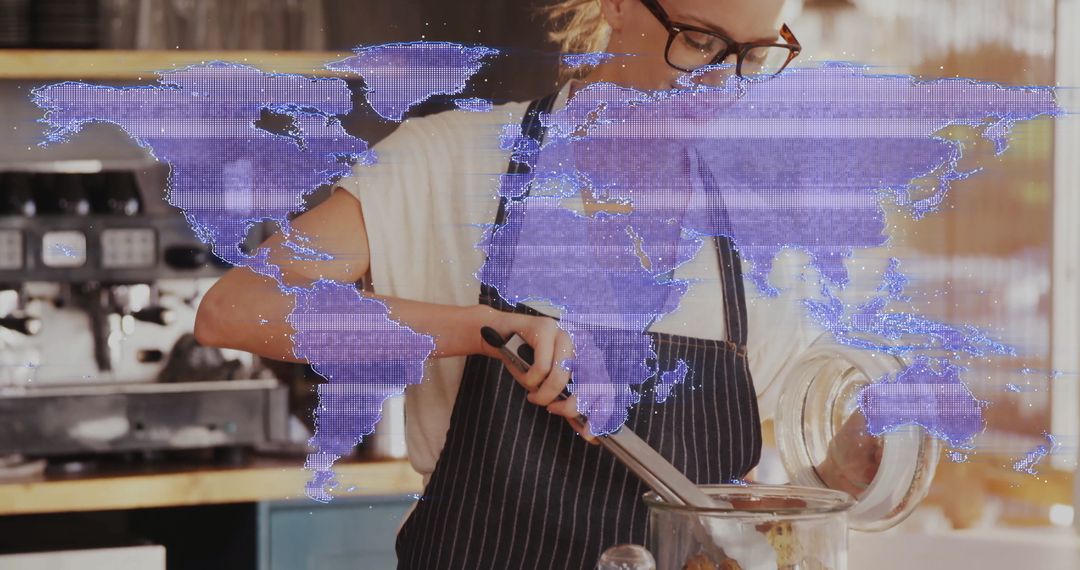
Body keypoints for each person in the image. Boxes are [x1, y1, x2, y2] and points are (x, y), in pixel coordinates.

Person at [195, 0, 879, 567]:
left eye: (753, 57)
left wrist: (867, 447)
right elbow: (237, 310)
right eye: (699, 43)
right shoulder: (451, 161)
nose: (721, 84)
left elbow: (791, 451)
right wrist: (483, 330)